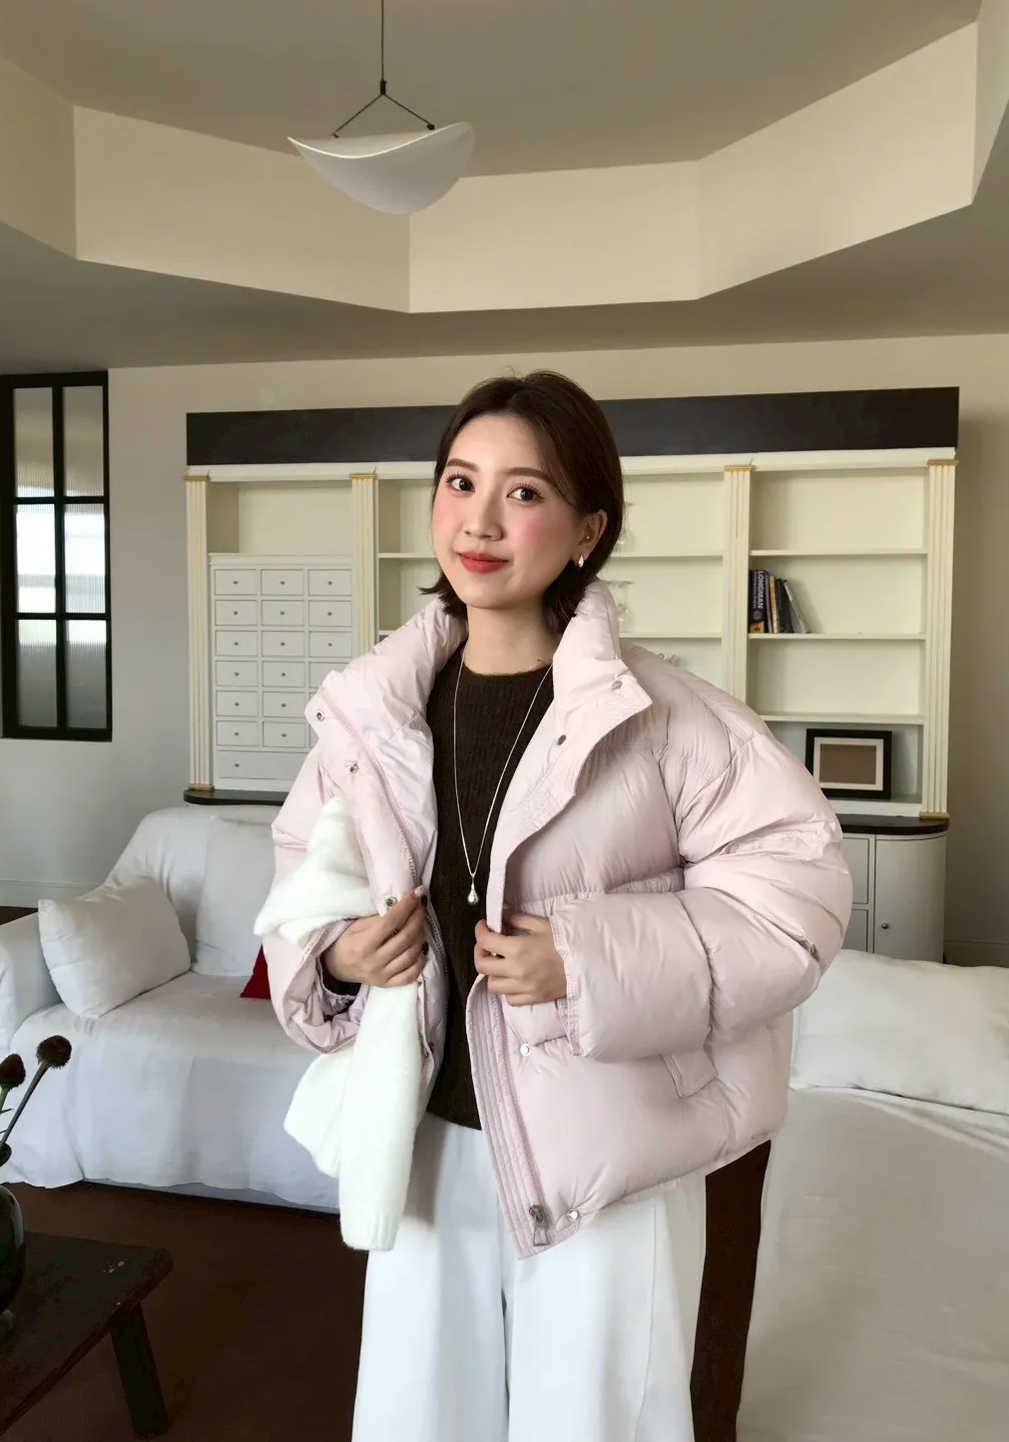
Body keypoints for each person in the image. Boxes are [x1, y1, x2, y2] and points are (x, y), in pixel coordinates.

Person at [264, 370, 852, 1442]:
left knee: (594, 1422)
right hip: (424, 1143)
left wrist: (584, 961)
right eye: (459, 481)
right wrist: (340, 956)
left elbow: (794, 899)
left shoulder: (666, 718)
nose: (479, 520)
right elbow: (306, 870)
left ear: (588, 530)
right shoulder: (372, 714)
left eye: (524, 492)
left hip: (606, 1159)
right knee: (414, 1419)